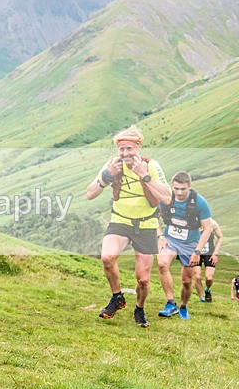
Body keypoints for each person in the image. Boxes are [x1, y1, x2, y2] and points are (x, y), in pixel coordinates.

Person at [85, 126, 172, 328]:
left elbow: (167, 198)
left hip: (146, 224)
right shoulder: (113, 165)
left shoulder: (151, 166)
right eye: (121, 149)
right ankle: (117, 297)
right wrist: (106, 177)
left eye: (129, 149)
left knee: (143, 279)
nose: (125, 154)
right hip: (120, 221)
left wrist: (145, 176)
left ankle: (139, 309)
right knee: (107, 258)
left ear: (138, 147)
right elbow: (89, 194)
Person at [156, 172, 213, 320]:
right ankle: (170, 303)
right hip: (170, 239)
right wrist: (160, 235)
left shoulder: (199, 202)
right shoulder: (166, 198)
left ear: (189, 187)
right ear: (172, 186)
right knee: (162, 264)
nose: (179, 193)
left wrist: (197, 251)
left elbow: (208, 229)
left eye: (183, 189)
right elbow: (153, 216)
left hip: (190, 243)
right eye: (176, 188)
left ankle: (183, 307)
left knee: (186, 281)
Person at [193, 219, 222, 302]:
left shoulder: (212, 223)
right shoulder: (191, 221)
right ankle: (201, 298)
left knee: (209, 278)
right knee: (197, 276)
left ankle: (207, 290)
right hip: (195, 252)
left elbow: (220, 237)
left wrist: (215, 253)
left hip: (209, 253)